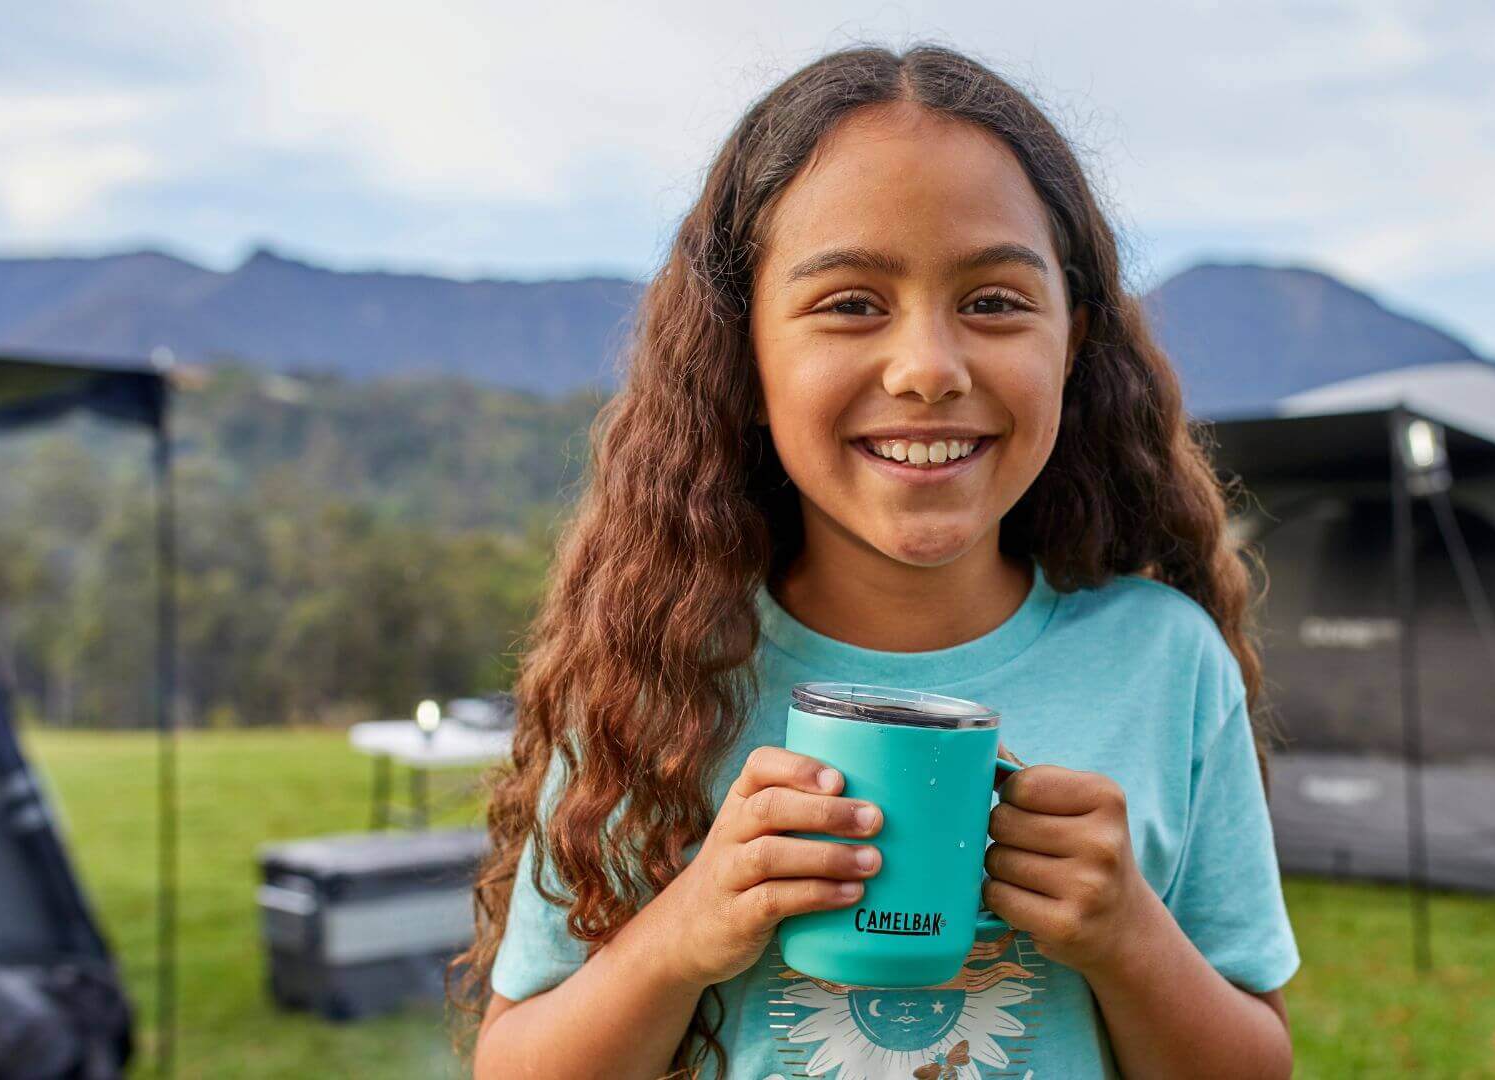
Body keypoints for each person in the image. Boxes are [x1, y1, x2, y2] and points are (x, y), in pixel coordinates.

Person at [456, 42, 1299, 1080]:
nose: (928, 371)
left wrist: (1129, 937)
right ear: (744, 348)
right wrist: (681, 936)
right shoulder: (656, 674)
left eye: (994, 301)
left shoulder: (1165, 664)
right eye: (851, 302)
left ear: (1072, 342)